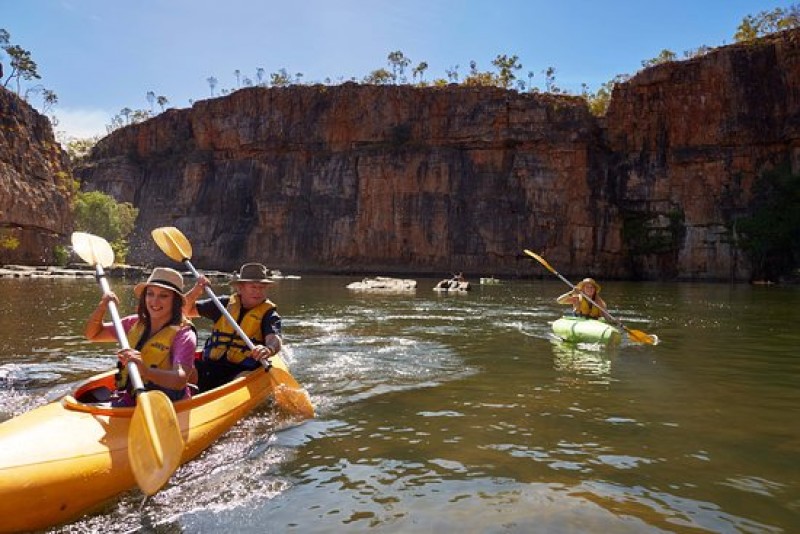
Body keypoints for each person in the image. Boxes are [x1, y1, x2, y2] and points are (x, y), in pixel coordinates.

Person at [85, 267, 197, 406]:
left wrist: (146, 371)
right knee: (86, 397)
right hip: (133, 395)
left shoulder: (184, 335)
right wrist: (102, 307)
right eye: (150, 294)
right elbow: (93, 334)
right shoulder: (134, 323)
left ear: (175, 301)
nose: (154, 301)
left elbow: (180, 380)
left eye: (163, 296)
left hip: (164, 402)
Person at [183, 262, 283, 391]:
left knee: (240, 380)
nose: (258, 292)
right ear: (240, 288)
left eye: (262, 287)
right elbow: (185, 310)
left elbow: (274, 338)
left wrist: (268, 349)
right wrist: (197, 290)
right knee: (187, 369)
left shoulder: (269, 314)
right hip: (211, 364)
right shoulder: (223, 304)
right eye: (253, 287)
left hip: (242, 369)